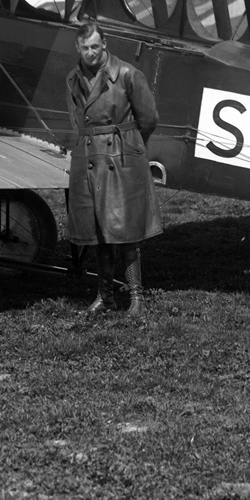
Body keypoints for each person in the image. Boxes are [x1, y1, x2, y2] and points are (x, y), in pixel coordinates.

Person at [65, 20, 162, 316]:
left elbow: (149, 119)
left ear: (105, 44)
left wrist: (129, 146)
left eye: (95, 46)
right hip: (90, 159)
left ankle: (136, 298)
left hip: (123, 158)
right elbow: (77, 124)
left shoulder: (128, 74)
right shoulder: (73, 79)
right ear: (78, 48)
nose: (91, 53)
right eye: (85, 48)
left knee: (128, 232)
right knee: (98, 233)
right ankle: (104, 296)